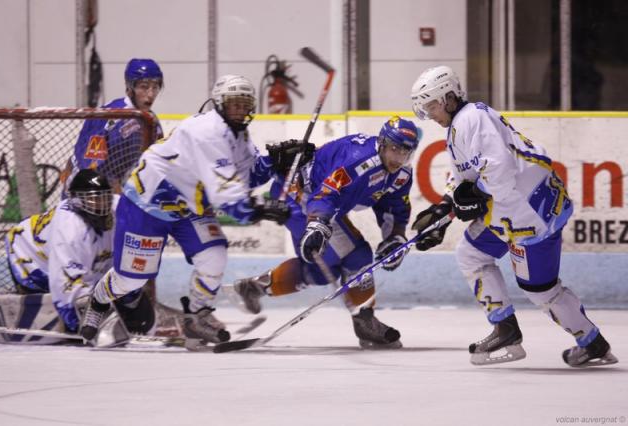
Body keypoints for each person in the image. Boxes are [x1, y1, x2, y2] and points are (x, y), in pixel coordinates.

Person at [409, 65, 618, 367]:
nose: (429, 114)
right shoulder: (460, 125)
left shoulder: (473, 119)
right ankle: (504, 328)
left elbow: (499, 174)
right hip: (513, 211)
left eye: (431, 105)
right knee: (470, 254)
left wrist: (474, 197)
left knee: (541, 291)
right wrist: (444, 206)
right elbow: (467, 177)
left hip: (529, 216)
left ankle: (593, 344)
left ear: (448, 97)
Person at [79, 74, 289, 347]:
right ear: (219, 104)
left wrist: (277, 161)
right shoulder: (207, 133)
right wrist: (261, 208)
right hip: (147, 203)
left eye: (244, 104)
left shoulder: (237, 133)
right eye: (234, 104)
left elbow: (248, 175)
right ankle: (98, 301)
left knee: (214, 254)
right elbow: (229, 200)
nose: (240, 110)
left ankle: (197, 317)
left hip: (187, 206)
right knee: (132, 280)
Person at [232, 116, 419, 349]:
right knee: (357, 254)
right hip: (299, 195)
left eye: (405, 152)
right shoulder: (356, 162)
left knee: (321, 271)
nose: (398, 158)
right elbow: (327, 194)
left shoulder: (401, 175)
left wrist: (395, 237)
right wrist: (319, 223)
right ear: (382, 143)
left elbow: (394, 208)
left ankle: (258, 286)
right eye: (394, 149)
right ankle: (365, 321)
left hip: (318, 202)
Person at [0, 169, 154, 342]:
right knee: (78, 324)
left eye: (104, 197)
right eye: (94, 199)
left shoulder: (119, 210)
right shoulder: (69, 230)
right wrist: (83, 324)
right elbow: (67, 285)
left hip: (89, 264)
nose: (101, 204)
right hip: (31, 258)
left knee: (141, 316)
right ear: (75, 200)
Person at [65, 58, 165, 193]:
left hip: (116, 191)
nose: (151, 94)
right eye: (144, 87)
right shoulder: (110, 116)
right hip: (86, 191)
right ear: (130, 88)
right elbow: (90, 167)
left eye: (155, 86)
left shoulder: (151, 121)